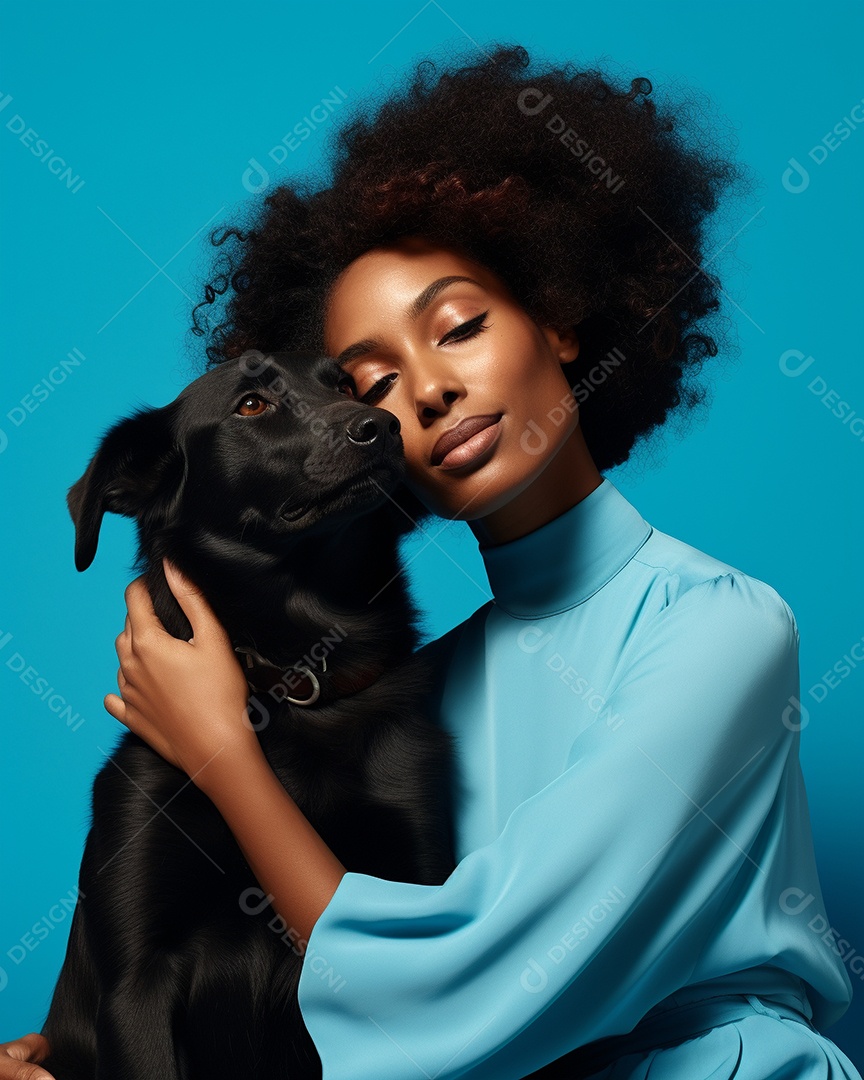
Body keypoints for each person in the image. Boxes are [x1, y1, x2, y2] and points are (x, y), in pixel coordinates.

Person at [5, 44, 860, 1080]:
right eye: (370, 384)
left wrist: (221, 749)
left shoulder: (721, 629)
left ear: (558, 311)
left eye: (457, 328)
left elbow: (483, 986)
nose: (426, 394)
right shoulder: (420, 688)